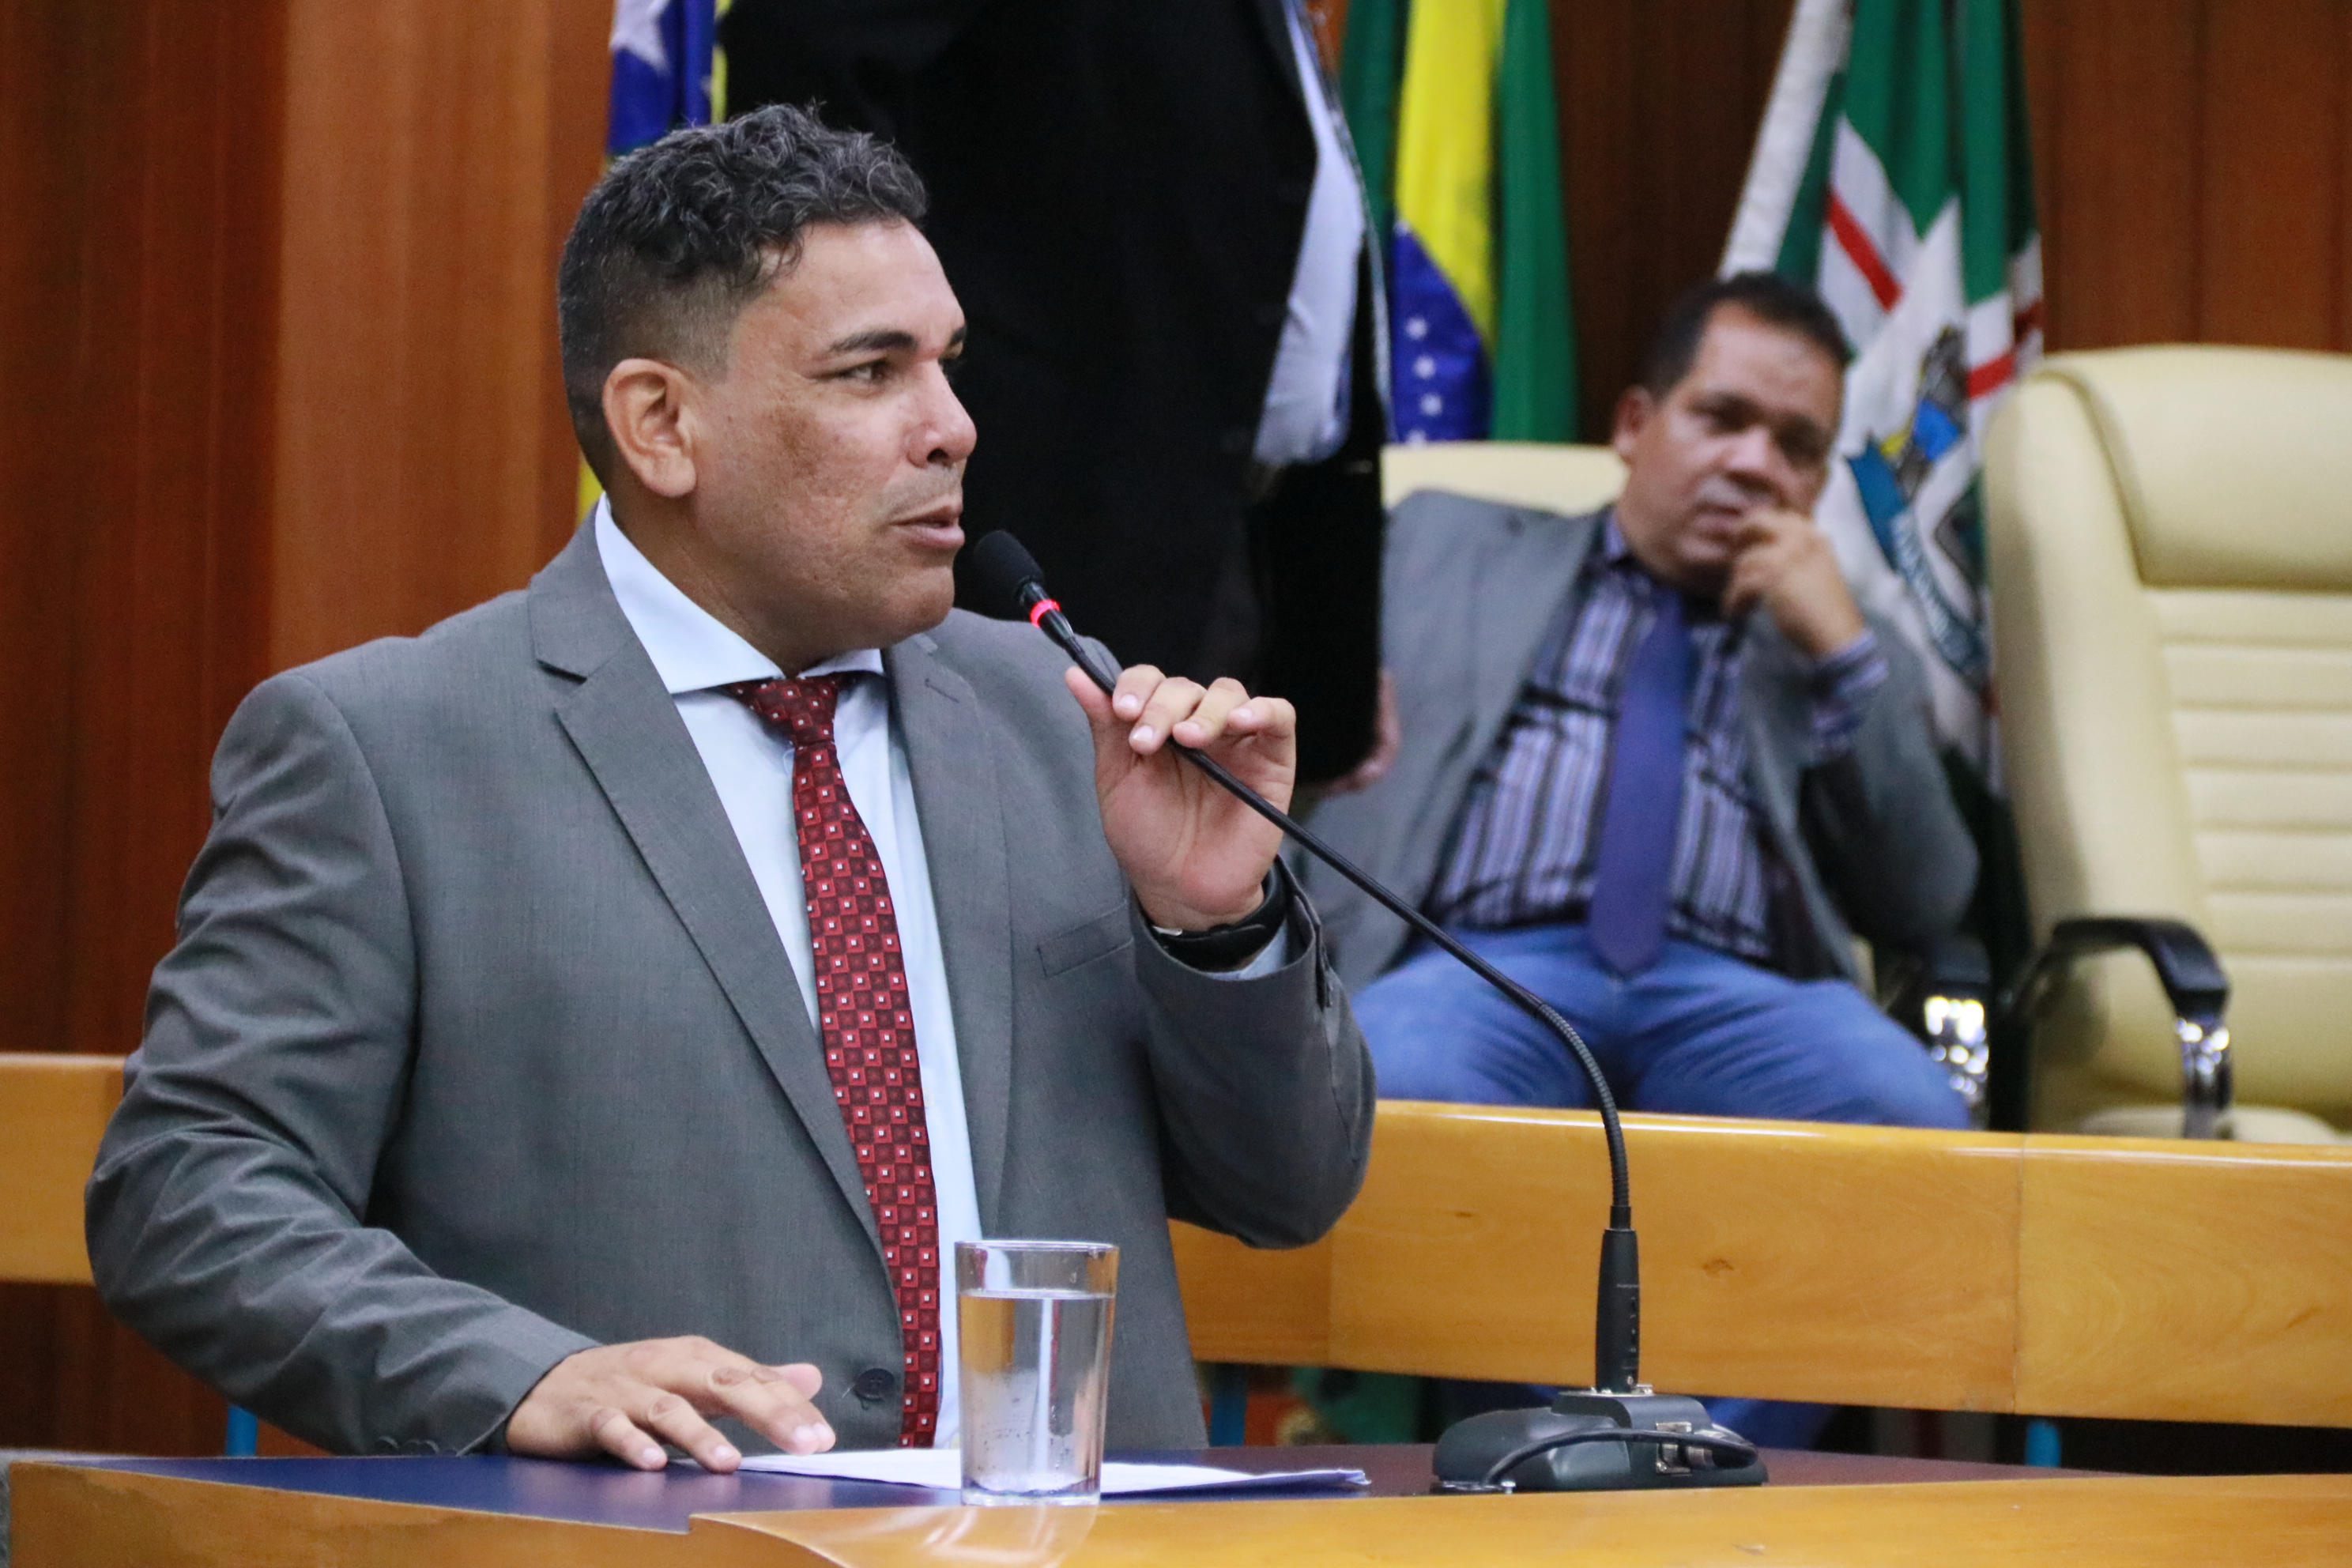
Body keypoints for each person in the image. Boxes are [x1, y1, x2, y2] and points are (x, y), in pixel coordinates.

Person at [86, 106, 1373, 1472]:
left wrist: (1212, 926)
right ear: (661, 425)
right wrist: (523, 1375)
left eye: (947, 366)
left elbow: (1288, 1191)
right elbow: (190, 1193)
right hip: (659, 1539)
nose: (951, 427)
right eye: (870, 372)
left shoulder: (1068, 719)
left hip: (1073, 1537)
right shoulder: (389, 750)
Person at [1300, 272, 1973, 1448]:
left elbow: (1929, 896)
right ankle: (1546, 1461)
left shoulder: (1837, 640)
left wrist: (1842, 655)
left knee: (1914, 1127)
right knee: (1392, 1084)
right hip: (1480, 968)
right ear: (1633, 423)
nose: (1756, 464)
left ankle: (1693, 1463)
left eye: (1797, 446)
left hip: (1735, 992)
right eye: (1723, 418)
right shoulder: (1445, 541)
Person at [718, 0, 1389, 785]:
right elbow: (802, 64)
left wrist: (1338, 638)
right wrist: (906, 358)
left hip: (1242, 548)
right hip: (1039, 534)